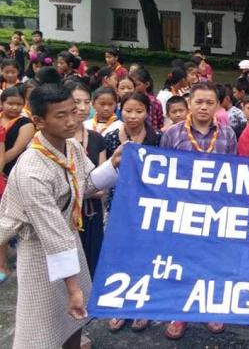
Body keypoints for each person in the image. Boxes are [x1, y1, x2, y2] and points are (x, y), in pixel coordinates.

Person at [0, 83, 121, 348]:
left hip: (69, 242)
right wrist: (73, 287)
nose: (71, 121)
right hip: (40, 252)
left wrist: (113, 163)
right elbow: (52, 234)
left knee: (74, 321)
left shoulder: (71, 146)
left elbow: (86, 185)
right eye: (61, 115)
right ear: (38, 121)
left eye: (73, 111)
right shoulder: (32, 170)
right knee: (40, 328)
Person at [160, 83, 237, 340]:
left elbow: (234, 173)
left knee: (211, 260)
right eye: (198, 102)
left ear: (218, 105)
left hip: (216, 209)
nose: (204, 107)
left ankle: (207, 307)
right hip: (182, 208)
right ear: (189, 104)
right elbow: (164, 171)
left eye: (209, 103)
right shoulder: (172, 134)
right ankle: (180, 312)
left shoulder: (227, 134)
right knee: (182, 260)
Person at [105, 92, 161, 334]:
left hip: (149, 206)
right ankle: (120, 304)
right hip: (119, 205)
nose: (133, 116)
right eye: (128, 110)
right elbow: (102, 173)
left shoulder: (157, 139)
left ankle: (142, 305)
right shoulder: (110, 138)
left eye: (139, 111)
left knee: (146, 255)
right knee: (120, 254)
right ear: (120, 110)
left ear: (147, 112)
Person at [66, 81, 107, 278]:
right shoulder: (57, 139)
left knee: (92, 264)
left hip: (91, 213)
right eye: (76, 102)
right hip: (66, 213)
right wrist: (88, 187)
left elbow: (102, 185)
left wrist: (82, 188)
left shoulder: (96, 138)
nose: (82, 108)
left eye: (86, 102)